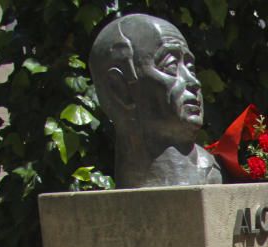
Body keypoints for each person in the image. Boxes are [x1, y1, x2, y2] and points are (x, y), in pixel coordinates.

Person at [89, 14, 222, 189]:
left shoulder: (213, 172)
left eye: (191, 68)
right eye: (171, 66)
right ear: (120, 89)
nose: (193, 82)